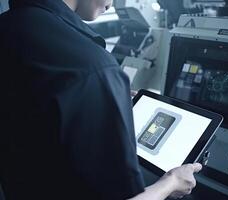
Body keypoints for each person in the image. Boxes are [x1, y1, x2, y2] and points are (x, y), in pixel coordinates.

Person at [0, 0, 201, 199]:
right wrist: (170, 183)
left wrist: (101, 94)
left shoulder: (10, 23)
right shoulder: (93, 67)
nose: (112, 4)